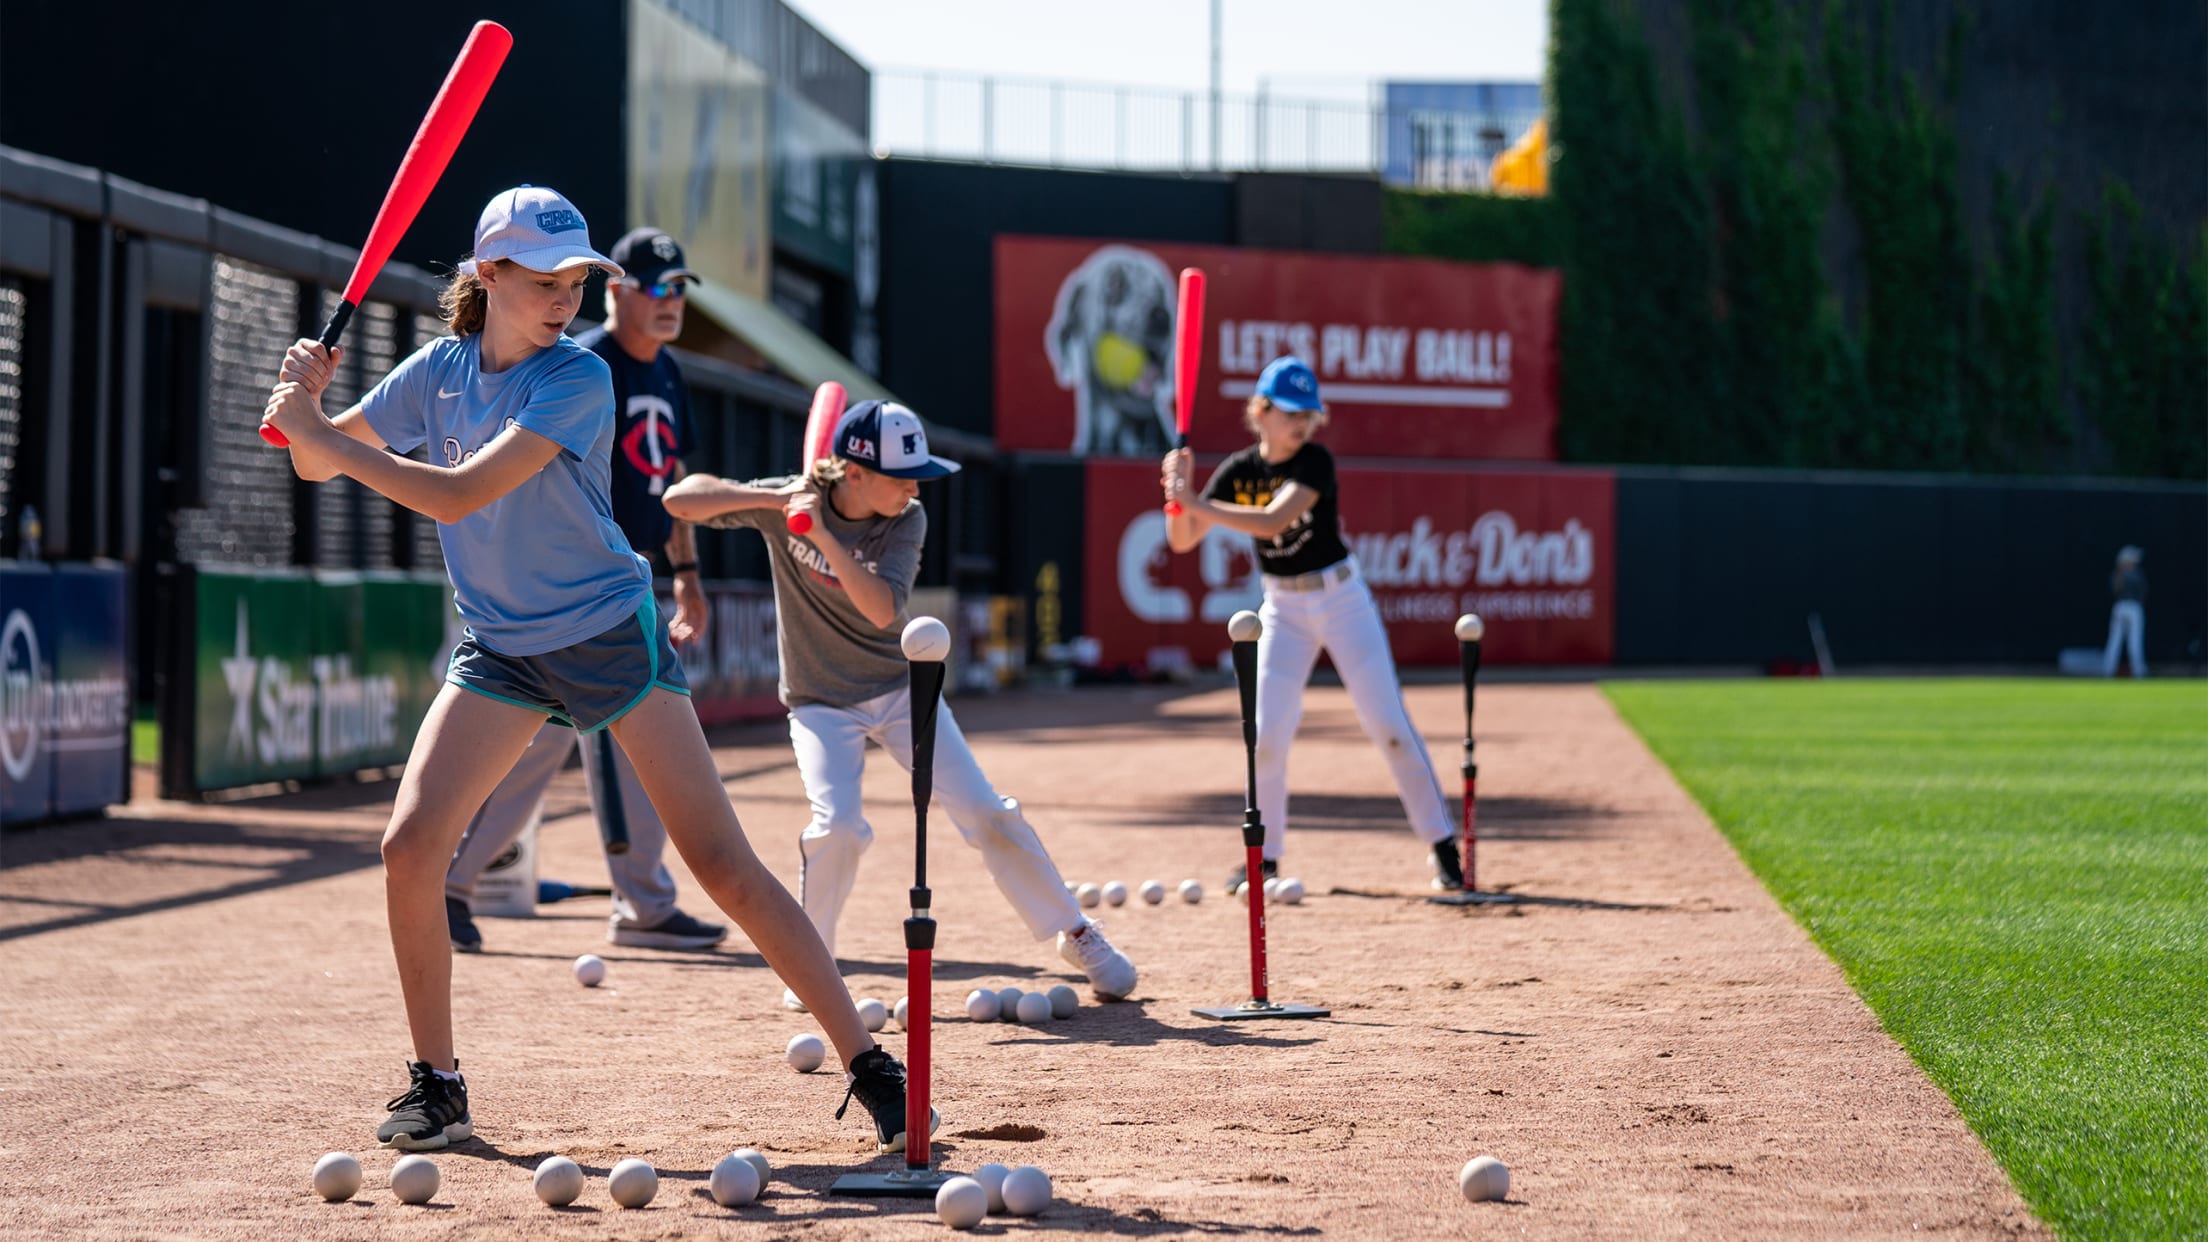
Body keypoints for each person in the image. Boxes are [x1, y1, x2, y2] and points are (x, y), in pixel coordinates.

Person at [260, 185, 911, 1155]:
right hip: (501, 644)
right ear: (490, 276)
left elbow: (459, 493)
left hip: (607, 631)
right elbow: (312, 461)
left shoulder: (578, 378)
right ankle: (437, 1084)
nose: (568, 297)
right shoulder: (434, 372)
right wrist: (304, 402)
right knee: (409, 847)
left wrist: (321, 440)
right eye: (545, 278)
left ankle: (870, 1064)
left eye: (580, 279)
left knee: (720, 864)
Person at [663, 400, 1139, 1005]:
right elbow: (680, 499)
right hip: (818, 701)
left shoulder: (906, 520)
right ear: (855, 472)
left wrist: (825, 536)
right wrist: (776, 499)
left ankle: (1076, 931)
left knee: (986, 811)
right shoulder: (790, 503)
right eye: (902, 473)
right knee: (835, 828)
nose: (916, 486)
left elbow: (882, 609)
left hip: (899, 690)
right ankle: (809, 961)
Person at [443, 226, 724, 955]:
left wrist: (687, 575)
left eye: (679, 289)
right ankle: (642, 903)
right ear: (617, 290)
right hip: (575, 587)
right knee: (604, 739)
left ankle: (452, 881)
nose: (670, 303)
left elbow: (671, 486)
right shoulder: (581, 360)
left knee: (536, 744)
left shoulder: (666, 370)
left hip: (627, 578)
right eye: (656, 288)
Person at [1160, 356, 1461, 894]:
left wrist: (1197, 501)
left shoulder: (1314, 462)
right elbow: (1182, 542)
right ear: (1262, 411)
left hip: (1343, 600)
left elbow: (1274, 518)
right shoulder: (1238, 470)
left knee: (1389, 727)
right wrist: (1176, 500)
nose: (1300, 424)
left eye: (1308, 414)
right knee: (1267, 736)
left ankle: (1442, 847)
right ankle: (1265, 861)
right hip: (1283, 609)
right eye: (1290, 413)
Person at [2103, 545, 2148, 678]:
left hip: (2124, 607)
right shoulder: (2126, 574)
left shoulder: (2124, 573)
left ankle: (2135, 671)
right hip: (2128, 607)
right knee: (2120, 640)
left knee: (2128, 641)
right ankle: (2112, 670)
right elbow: (2117, 590)